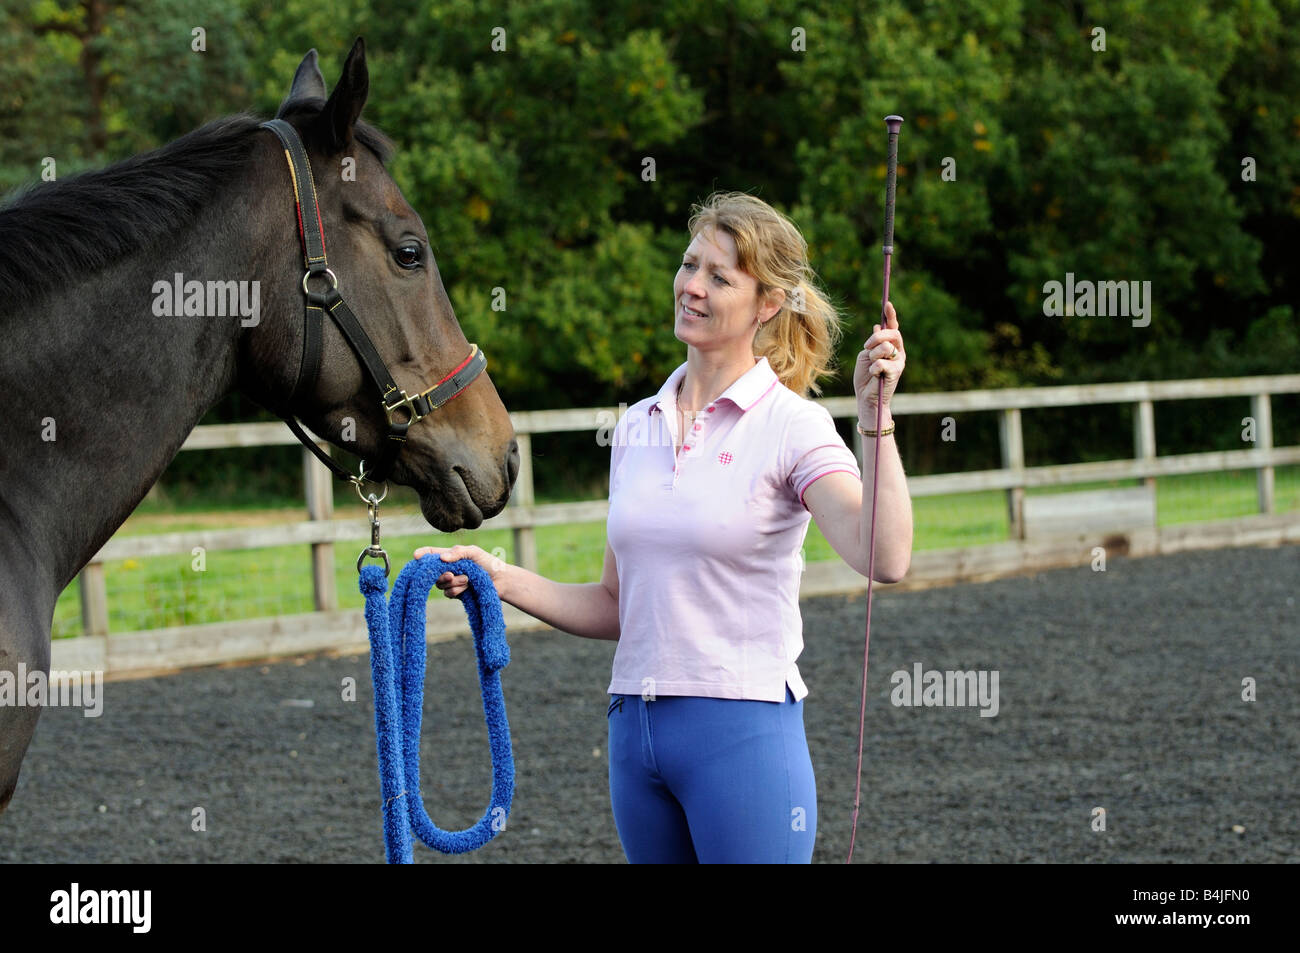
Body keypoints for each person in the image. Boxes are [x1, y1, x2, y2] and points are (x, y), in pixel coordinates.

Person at [415, 191, 912, 863]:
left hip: (742, 734)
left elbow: (884, 555)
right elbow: (618, 604)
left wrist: (874, 417)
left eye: (719, 276)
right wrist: (495, 576)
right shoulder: (636, 426)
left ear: (767, 303)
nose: (693, 287)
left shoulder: (794, 426)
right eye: (690, 265)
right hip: (633, 736)